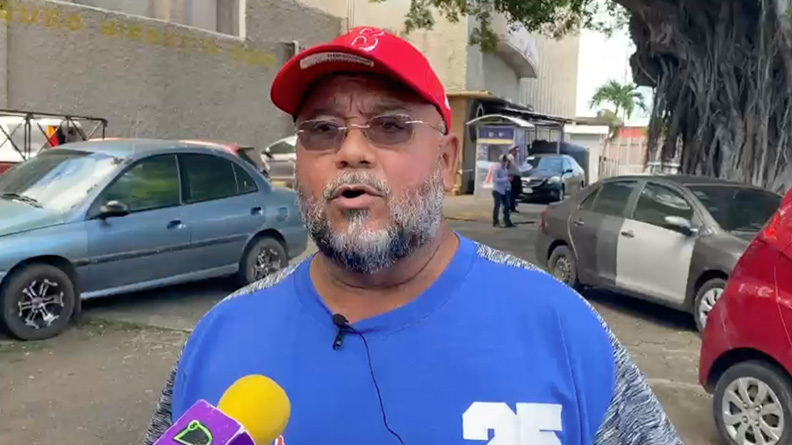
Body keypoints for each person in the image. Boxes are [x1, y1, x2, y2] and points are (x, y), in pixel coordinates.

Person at [145, 26, 681, 445]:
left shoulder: (561, 329)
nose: (350, 152)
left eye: (390, 126)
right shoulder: (220, 337)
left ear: (447, 162)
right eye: (322, 130)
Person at [490, 154, 514, 227]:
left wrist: (508, 184)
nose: (505, 163)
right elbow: (495, 180)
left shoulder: (505, 169)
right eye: (503, 161)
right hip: (497, 190)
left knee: (507, 206)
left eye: (506, 161)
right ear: (500, 161)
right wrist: (506, 179)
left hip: (504, 190)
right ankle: (495, 221)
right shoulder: (497, 168)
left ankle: (507, 221)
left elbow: (506, 179)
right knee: (497, 206)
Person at [507, 146, 523, 213]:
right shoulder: (509, 158)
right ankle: (511, 207)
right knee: (512, 193)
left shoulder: (515, 158)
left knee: (515, 193)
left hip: (516, 177)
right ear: (511, 151)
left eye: (516, 150)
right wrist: (508, 176)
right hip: (512, 177)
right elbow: (506, 167)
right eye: (514, 150)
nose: (516, 152)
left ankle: (513, 206)